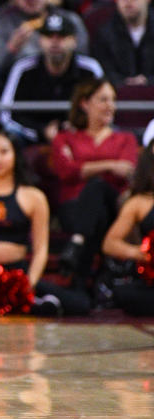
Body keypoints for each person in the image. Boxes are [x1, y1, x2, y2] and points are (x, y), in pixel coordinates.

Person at [0, 131, 91, 315]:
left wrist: (30, 283)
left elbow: (41, 248)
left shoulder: (34, 197)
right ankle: (27, 307)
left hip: (18, 276)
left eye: (4, 152)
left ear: (16, 155)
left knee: (81, 304)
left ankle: (19, 302)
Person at [52, 78, 138, 286]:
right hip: (74, 206)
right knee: (94, 213)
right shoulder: (64, 138)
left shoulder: (126, 138)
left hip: (113, 206)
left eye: (113, 100)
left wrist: (85, 168)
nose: (111, 106)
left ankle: (76, 247)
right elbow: (66, 172)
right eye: (103, 100)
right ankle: (95, 280)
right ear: (84, 103)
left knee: (97, 188)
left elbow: (126, 170)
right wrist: (109, 165)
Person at [0, 13, 104, 144]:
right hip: (31, 138)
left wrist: (79, 127)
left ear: (74, 41)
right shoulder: (23, 68)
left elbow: (105, 108)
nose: (54, 42)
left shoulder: (90, 69)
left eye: (61, 36)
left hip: (81, 136)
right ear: (40, 41)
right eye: (49, 36)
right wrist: (41, 131)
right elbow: (7, 115)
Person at [0, 0, 87, 75]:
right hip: (25, 80)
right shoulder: (6, 23)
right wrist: (12, 48)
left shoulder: (69, 19)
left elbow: (84, 56)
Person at [102, 144, 154, 316]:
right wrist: (141, 252)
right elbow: (110, 243)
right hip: (150, 281)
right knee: (127, 294)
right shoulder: (139, 202)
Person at [91, 0, 154, 87]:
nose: (127, 2)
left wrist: (149, 82)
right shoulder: (104, 34)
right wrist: (123, 84)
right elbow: (103, 72)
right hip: (117, 99)